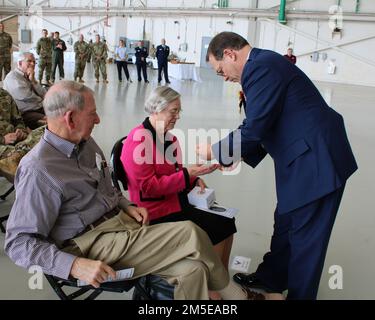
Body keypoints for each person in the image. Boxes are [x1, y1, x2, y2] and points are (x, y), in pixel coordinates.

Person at [4, 80, 265, 300]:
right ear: (70, 118)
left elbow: (108, 189)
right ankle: (237, 297)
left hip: (123, 227)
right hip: (90, 245)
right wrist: (72, 265)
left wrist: (125, 204)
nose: (98, 119)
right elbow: (19, 243)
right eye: (92, 113)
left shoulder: (87, 144)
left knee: (193, 270)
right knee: (190, 233)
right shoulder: (39, 169)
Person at [197, 31, 358, 300]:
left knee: (307, 240)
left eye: (219, 70)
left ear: (229, 54)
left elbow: (256, 126)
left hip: (317, 161)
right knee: (285, 220)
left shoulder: (260, 67)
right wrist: (234, 155)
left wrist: (215, 151)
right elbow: (268, 120)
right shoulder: (261, 66)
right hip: (302, 157)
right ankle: (272, 277)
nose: (223, 76)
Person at [121, 86, 237, 300]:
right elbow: (149, 187)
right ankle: (213, 287)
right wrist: (187, 175)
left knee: (227, 223)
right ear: (156, 109)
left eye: (178, 111)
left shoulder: (169, 139)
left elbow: (176, 173)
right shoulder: (138, 139)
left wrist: (195, 176)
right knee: (221, 227)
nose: (177, 117)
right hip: (156, 212)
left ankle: (220, 281)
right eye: (173, 111)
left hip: (176, 202)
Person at [0, 88, 44, 178]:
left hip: (16, 139)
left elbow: (18, 119)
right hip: (3, 146)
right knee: (21, 159)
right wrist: (3, 140)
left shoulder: (4, 94)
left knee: (43, 140)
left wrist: (20, 131)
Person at [3, 52, 47, 129]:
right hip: (25, 113)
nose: (33, 64)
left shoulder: (29, 75)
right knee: (51, 121)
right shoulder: (12, 77)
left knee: (60, 112)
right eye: (29, 61)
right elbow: (27, 97)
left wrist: (33, 81)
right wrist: (44, 101)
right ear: (20, 63)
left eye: (34, 62)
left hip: (38, 108)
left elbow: (44, 93)